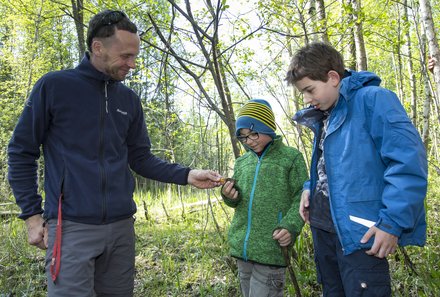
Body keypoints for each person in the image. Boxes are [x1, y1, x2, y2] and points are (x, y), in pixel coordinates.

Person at [7, 9, 222, 297]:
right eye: (125, 56)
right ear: (98, 47)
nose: (132, 64)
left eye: (134, 56)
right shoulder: (55, 86)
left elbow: (141, 158)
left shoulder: (129, 100)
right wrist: (32, 215)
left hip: (121, 229)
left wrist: (187, 175)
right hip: (71, 228)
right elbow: (21, 151)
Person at [285, 42, 427, 296]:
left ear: (332, 78)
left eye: (309, 90)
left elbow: (408, 163)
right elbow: (328, 166)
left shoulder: (374, 100)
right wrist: (310, 188)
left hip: (359, 231)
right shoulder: (325, 113)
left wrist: (392, 222)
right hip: (323, 227)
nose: (306, 99)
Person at [221, 99, 308, 297]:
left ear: (268, 128)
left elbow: (301, 199)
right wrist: (229, 196)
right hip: (242, 251)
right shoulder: (242, 162)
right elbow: (238, 200)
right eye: (243, 137)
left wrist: (290, 226)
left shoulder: (290, 158)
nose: (249, 141)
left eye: (254, 133)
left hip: (271, 249)